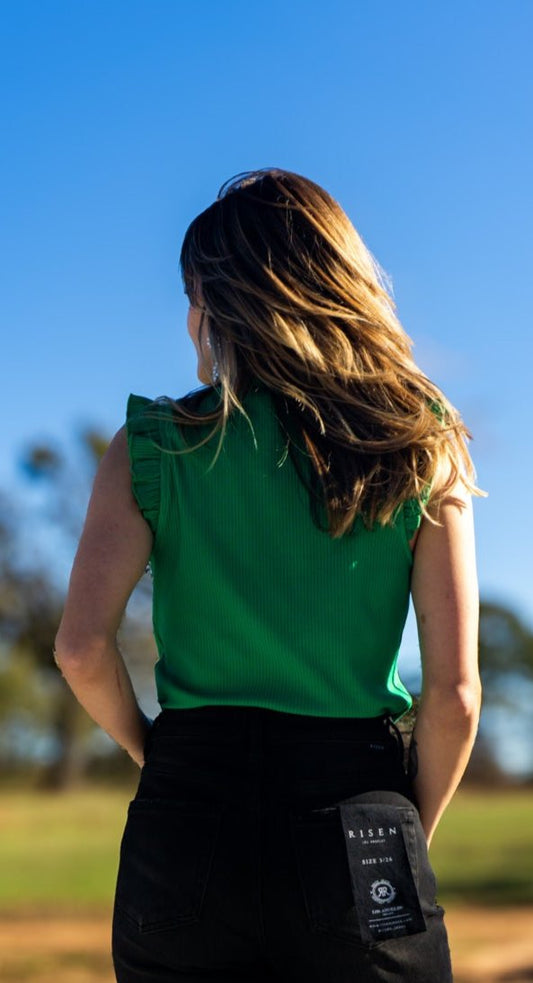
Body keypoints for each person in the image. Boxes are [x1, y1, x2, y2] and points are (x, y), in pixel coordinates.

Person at [54, 168, 483, 982]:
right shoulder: (420, 441)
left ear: (218, 304)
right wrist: (397, 831)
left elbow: (80, 649)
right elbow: (455, 696)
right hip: (356, 801)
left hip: (187, 803)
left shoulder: (152, 445)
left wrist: (161, 759)